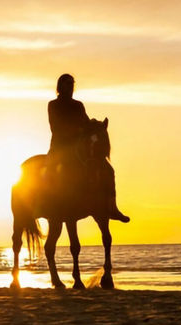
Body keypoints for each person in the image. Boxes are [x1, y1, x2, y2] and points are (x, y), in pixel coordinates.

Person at [48, 73, 130, 223]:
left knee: (108, 170)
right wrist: (76, 130)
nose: (70, 87)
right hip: (59, 148)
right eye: (67, 84)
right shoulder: (53, 105)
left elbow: (85, 121)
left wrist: (94, 125)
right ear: (60, 86)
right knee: (51, 169)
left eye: (71, 84)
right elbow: (55, 127)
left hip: (79, 148)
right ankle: (49, 203)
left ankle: (112, 207)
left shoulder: (78, 105)